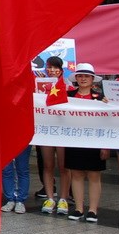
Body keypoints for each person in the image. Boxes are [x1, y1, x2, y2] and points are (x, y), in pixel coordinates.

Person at [63, 63, 108, 223]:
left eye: (86, 76)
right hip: (74, 140)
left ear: (92, 79)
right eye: (80, 76)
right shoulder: (69, 96)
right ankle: (79, 208)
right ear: (76, 78)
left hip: (94, 141)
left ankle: (93, 210)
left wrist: (105, 145)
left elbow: (107, 122)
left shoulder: (100, 97)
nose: (83, 79)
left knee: (94, 175)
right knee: (76, 174)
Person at [38, 56, 70, 215]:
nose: (52, 70)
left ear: (61, 69)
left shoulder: (69, 85)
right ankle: (50, 198)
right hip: (47, 130)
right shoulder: (39, 85)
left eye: (55, 67)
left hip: (64, 131)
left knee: (64, 167)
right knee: (48, 165)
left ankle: (63, 199)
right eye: (49, 67)